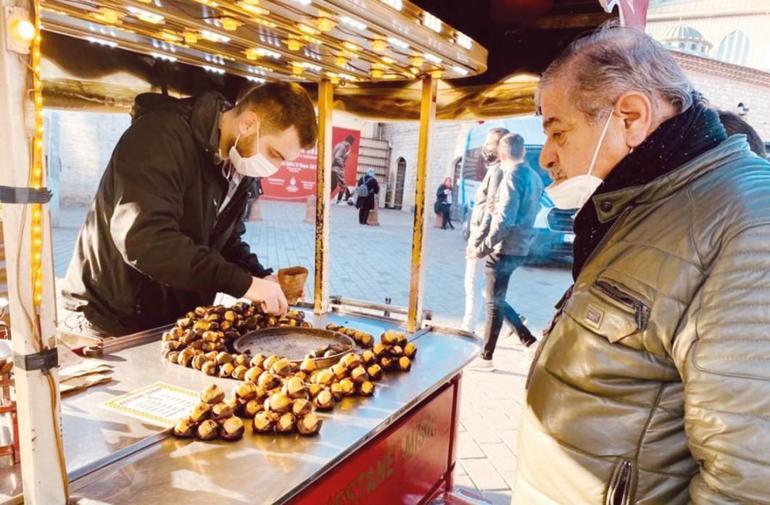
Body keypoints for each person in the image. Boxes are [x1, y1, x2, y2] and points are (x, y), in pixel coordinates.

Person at [515, 25, 770, 505]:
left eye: (557, 131)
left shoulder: (748, 223)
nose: (547, 156)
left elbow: (751, 478)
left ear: (630, 117)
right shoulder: (647, 200)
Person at [61, 83, 317, 339]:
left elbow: (224, 241)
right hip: (109, 318)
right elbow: (146, 241)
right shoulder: (159, 137)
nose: (275, 167)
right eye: (275, 154)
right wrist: (245, 284)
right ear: (248, 124)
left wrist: (260, 278)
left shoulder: (239, 161)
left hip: (168, 320)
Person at [466, 134, 542, 371]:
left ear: (503, 152)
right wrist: (496, 206)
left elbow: (505, 222)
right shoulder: (534, 176)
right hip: (520, 246)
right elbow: (524, 210)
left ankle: (486, 358)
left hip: (504, 248)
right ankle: (527, 339)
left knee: (493, 302)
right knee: (494, 297)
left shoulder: (512, 176)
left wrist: (480, 248)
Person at [461, 127, 509, 334]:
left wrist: (477, 246)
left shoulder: (498, 172)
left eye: (489, 143)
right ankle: (515, 323)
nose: (485, 148)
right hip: (485, 237)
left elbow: (490, 213)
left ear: (500, 147)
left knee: (473, 283)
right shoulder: (496, 169)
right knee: (485, 288)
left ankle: (468, 326)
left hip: (483, 239)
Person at [331, 134, 355, 204]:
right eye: (350, 145)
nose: (349, 147)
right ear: (348, 143)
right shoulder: (343, 147)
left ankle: (325, 198)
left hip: (333, 167)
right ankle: (338, 201)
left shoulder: (339, 145)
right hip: (337, 168)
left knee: (333, 185)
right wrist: (343, 164)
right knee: (343, 186)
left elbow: (336, 156)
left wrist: (345, 155)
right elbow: (337, 157)